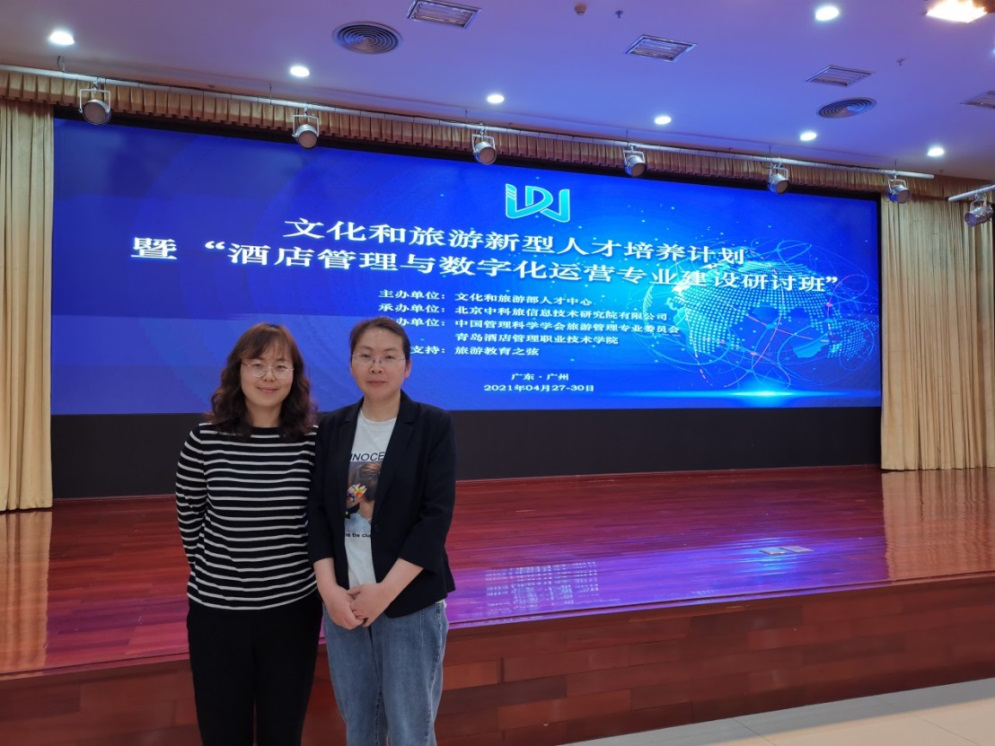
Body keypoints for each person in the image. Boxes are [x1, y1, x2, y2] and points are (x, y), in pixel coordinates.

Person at [309, 317, 457, 746]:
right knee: (361, 728)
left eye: (389, 357)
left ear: (407, 367)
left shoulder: (431, 425)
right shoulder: (332, 427)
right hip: (345, 604)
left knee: (411, 731)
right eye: (366, 356)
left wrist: (385, 592)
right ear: (351, 364)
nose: (377, 366)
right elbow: (318, 512)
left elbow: (435, 519)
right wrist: (329, 591)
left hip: (407, 603)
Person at [175, 323, 321, 745]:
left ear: (295, 375)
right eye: (257, 365)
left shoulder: (312, 441)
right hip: (218, 614)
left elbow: (323, 518)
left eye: (281, 366)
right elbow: (190, 518)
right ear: (237, 371)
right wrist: (222, 573)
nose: (269, 376)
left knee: (283, 732)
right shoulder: (204, 440)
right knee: (223, 732)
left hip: (292, 610)